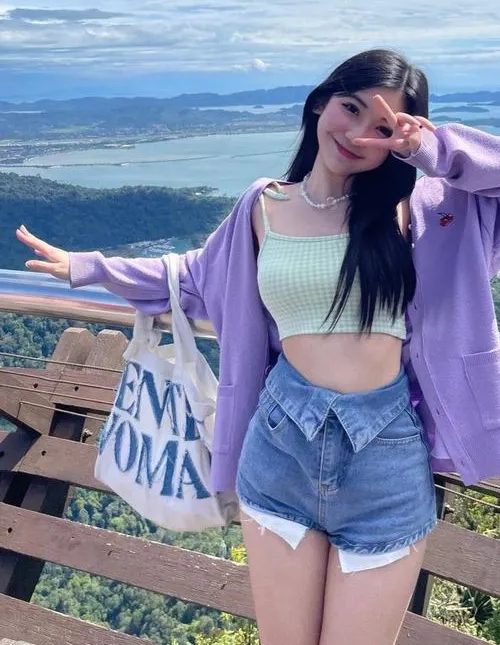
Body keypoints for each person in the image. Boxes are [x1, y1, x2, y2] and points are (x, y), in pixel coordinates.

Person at [16, 49, 500, 645]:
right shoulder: (263, 206)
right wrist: (89, 267)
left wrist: (432, 150)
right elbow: (195, 277)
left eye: (382, 127)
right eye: (349, 108)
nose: (356, 133)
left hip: (386, 461)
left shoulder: (426, 208)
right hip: (279, 447)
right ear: (320, 103)